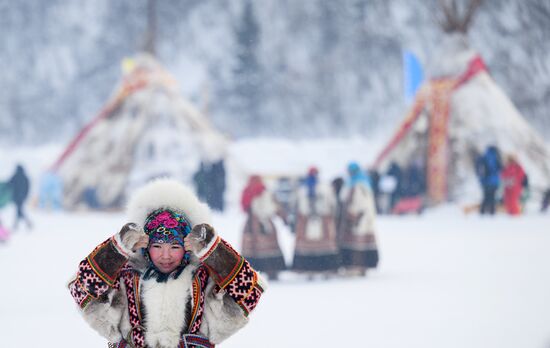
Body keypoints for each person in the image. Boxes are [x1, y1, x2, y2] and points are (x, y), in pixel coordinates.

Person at [68, 179, 266, 348]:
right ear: (145, 245)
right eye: (157, 246)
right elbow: (81, 291)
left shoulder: (203, 280)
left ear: (187, 246)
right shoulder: (125, 277)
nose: (165, 255)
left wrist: (215, 250)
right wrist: (115, 250)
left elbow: (250, 294)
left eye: (174, 247)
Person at [291, 167, 339, 278]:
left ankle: (309, 269)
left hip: (306, 222)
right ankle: (326, 269)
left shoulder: (302, 189)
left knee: (308, 247)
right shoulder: (326, 188)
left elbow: (295, 206)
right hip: (323, 221)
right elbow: (333, 205)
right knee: (324, 246)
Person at [240, 175, 286, 280]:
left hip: (251, 224)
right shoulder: (265, 192)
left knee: (251, 249)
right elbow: (273, 207)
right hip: (264, 223)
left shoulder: (247, 191)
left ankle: (250, 271)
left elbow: (244, 206)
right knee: (270, 248)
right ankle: (272, 270)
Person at [338, 162, 379, 276]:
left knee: (355, 243)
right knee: (362, 242)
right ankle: (361, 266)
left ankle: (355, 266)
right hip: (364, 218)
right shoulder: (364, 183)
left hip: (356, 218)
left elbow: (356, 203)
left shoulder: (356, 186)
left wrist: (353, 214)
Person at [476, 145, 502, 215]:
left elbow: (478, 167)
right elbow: (501, 168)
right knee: (492, 197)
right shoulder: (497, 157)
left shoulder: (483, 157)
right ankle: (492, 212)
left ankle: (482, 211)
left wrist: (480, 179)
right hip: (494, 181)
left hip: (485, 181)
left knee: (485, 196)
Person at [7, 164, 32, 230]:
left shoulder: (15, 176)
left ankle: (21, 224)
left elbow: (9, 184)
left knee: (19, 210)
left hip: (16, 197)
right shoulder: (25, 177)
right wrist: (26, 195)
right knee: (19, 210)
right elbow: (28, 187)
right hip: (22, 197)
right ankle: (25, 223)